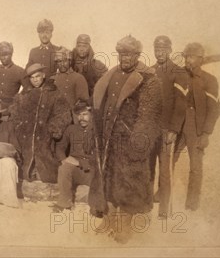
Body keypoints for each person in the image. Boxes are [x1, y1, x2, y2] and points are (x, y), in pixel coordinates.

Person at [90, 35, 161, 243]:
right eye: (121, 54)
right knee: (108, 178)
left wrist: (138, 143)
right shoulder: (111, 75)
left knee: (130, 180)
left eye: (129, 54)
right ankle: (110, 218)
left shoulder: (148, 79)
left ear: (138, 55)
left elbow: (149, 116)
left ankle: (125, 224)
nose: (125, 58)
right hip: (108, 138)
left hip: (131, 139)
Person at [169, 42, 219, 211]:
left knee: (195, 166)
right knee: (169, 159)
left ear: (200, 59)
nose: (187, 60)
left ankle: (192, 203)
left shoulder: (209, 80)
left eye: (191, 57)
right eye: (186, 57)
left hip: (196, 127)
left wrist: (206, 133)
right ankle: (164, 194)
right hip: (178, 124)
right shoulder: (180, 76)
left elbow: (213, 110)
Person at [9, 63, 71, 186]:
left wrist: (53, 129)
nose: (35, 80)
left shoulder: (54, 93)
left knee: (46, 158)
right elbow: (14, 111)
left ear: (43, 75)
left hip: (45, 134)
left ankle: (43, 176)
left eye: (37, 76)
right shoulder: (24, 94)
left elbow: (63, 113)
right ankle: (28, 175)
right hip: (27, 134)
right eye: (32, 78)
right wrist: (20, 126)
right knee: (26, 157)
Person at [150, 35, 182, 218]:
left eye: (163, 49)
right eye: (156, 49)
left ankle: (164, 210)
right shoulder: (150, 71)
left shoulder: (177, 72)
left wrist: (173, 130)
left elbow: (180, 104)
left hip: (167, 129)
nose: (159, 53)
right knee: (149, 166)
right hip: (152, 129)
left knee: (164, 169)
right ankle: (148, 202)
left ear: (170, 50)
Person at [53, 100, 96, 212]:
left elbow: (101, 156)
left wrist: (81, 163)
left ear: (92, 114)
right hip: (75, 170)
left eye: (85, 114)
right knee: (64, 168)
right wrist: (64, 159)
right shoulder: (71, 129)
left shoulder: (97, 131)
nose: (81, 118)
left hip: (92, 170)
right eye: (79, 115)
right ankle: (64, 203)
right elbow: (60, 147)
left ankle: (97, 206)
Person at [0, 42, 26, 107]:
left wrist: (18, 99)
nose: (3, 57)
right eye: (0, 55)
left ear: (11, 54)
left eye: (6, 55)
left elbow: (28, 88)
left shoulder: (19, 71)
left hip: (9, 108)